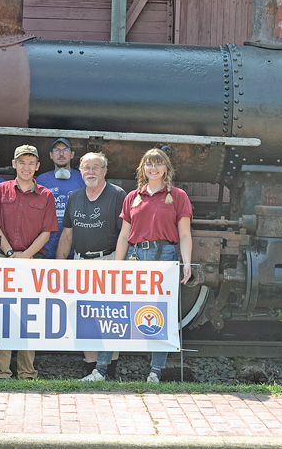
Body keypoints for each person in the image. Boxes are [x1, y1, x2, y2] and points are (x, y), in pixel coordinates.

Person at [83, 148, 193, 384]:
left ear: (166, 169)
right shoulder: (133, 197)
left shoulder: (178, 196)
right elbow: (124, 236)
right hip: (134, 256)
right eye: (149, 164)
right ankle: (99, 371)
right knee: (118, 311)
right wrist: (116, 266)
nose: (153, 168)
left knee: (160, 315)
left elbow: (184, 235)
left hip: (164, 257)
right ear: (143, 169)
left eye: (158, 164)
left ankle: (155, 373)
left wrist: (186, 264)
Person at [0, 145, 58, 379]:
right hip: (5, 259)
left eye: (31, 163)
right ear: (14, 164)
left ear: (37, 166)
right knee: (4, 316)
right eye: (22, 162)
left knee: (30, 316)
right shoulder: (0, 190)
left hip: (33, 261)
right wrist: (9, 254)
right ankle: (2, 373)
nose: (26, 167)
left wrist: (26, 256)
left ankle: (27, 373)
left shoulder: (46, 195)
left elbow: (47, 232)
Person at [55, 152, 126, 379]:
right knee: (84, 318)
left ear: (105, 171)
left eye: (96, 167)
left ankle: (108, 373)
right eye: (86, 168)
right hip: (80, 263)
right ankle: (92, 369)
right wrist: (59, 267)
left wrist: (117, 267)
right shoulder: (75, 197)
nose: (91, 172)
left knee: (110, 319)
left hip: (108, 260)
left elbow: (126, 234)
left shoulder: (117, 195)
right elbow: (67, 236)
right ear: (81, 171)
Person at [37, 138, 85, 259]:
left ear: (72, 154)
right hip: (47, 244)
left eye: (65, 150)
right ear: (51, 155)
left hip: (76, 246)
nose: (61, 154)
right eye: (57, 150)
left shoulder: (82, 178)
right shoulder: (41, 180)